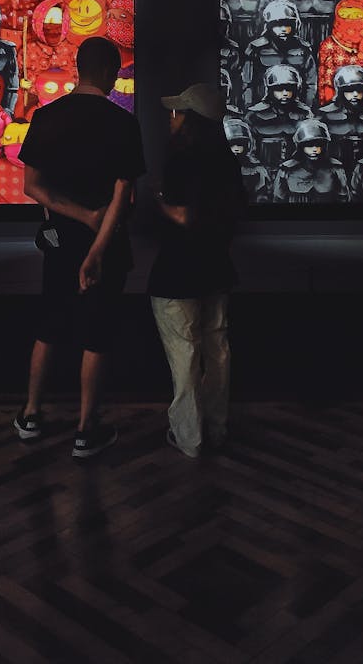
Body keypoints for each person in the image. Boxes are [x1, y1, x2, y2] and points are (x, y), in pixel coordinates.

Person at [14, 36, 146, 459]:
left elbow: (31, 186)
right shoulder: (123, 123)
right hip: (107, 245)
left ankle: (31, 415)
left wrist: (75, 217)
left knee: (48, 325)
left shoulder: (46, 116)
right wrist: (96, 243)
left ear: (77, 68)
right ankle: (87, 430)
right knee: (97, 333)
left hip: (58, 243)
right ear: (110, 73)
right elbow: (124, 194)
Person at [147, 82, 245, 458]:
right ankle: (217, 428)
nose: (171, 117)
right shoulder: (228, 160)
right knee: (217, 353)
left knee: (184, 358)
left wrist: (157, 198)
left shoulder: (181, 159)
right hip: (216, 270)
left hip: (177, 274)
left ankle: (190, 437)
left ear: (190, 120)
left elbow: (185, 215)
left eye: (177, 112)